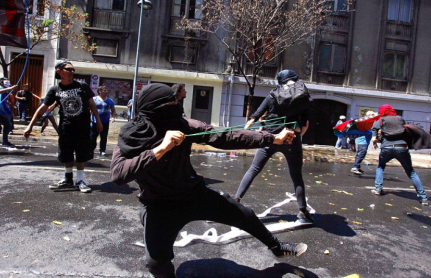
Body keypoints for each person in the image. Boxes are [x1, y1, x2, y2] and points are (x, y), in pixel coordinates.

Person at [110, 83, 307, 278]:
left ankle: (277, 247)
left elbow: (224, 136)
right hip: (158, 204)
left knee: (244, 214)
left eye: (175, 101)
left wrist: (272, 138)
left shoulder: (182, 124)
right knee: (156, 263)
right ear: (153, 109)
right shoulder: (132, 135)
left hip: (193, 194)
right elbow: (118, 174)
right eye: (170, 104)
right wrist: (160, 149)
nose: (176, 106)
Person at [235, 69, 313, 225]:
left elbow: (256, 115)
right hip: (291, 138)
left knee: (253, 170)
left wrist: (245, 130)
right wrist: (297, 137)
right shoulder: (302, 96)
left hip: (270, 138)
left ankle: (235, 203)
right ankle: (303, 212)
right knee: (296, 176)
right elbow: (305, 124)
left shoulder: (273, 94)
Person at [23, 61, 103, 193]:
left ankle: (80, 180)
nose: (72, 72)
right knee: (66, 153)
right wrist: (30, 126)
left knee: (81, 154)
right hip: (66, 127)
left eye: (73, 70)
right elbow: (42, 108)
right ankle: (67, 180)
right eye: (68, 69)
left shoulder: (82, 86)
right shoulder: (55, 89)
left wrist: (98, 121)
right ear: (59, 71)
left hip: (82, 126)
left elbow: (92, 104)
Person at [371, 104, 429, 205]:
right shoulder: (400, 119)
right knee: (410, 171)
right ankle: (423, 198)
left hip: (387, 148)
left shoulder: (379, 121)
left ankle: (379, 189)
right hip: (402, 147)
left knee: (380, 166)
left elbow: (374, 139)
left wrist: (376, 141)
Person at [91, 86, 116, 156]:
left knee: (104, 136)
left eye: (107, 90)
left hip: (105, 121)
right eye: (104, 90)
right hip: (95, 121)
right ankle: (91, 149)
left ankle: (102, 150)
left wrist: (113, 117)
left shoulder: (109, 100)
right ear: (100, 91)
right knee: (93, 136)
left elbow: (113, 110)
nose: (106, 92)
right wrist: (89, 117)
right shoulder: (94, 99)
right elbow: (90, 109)